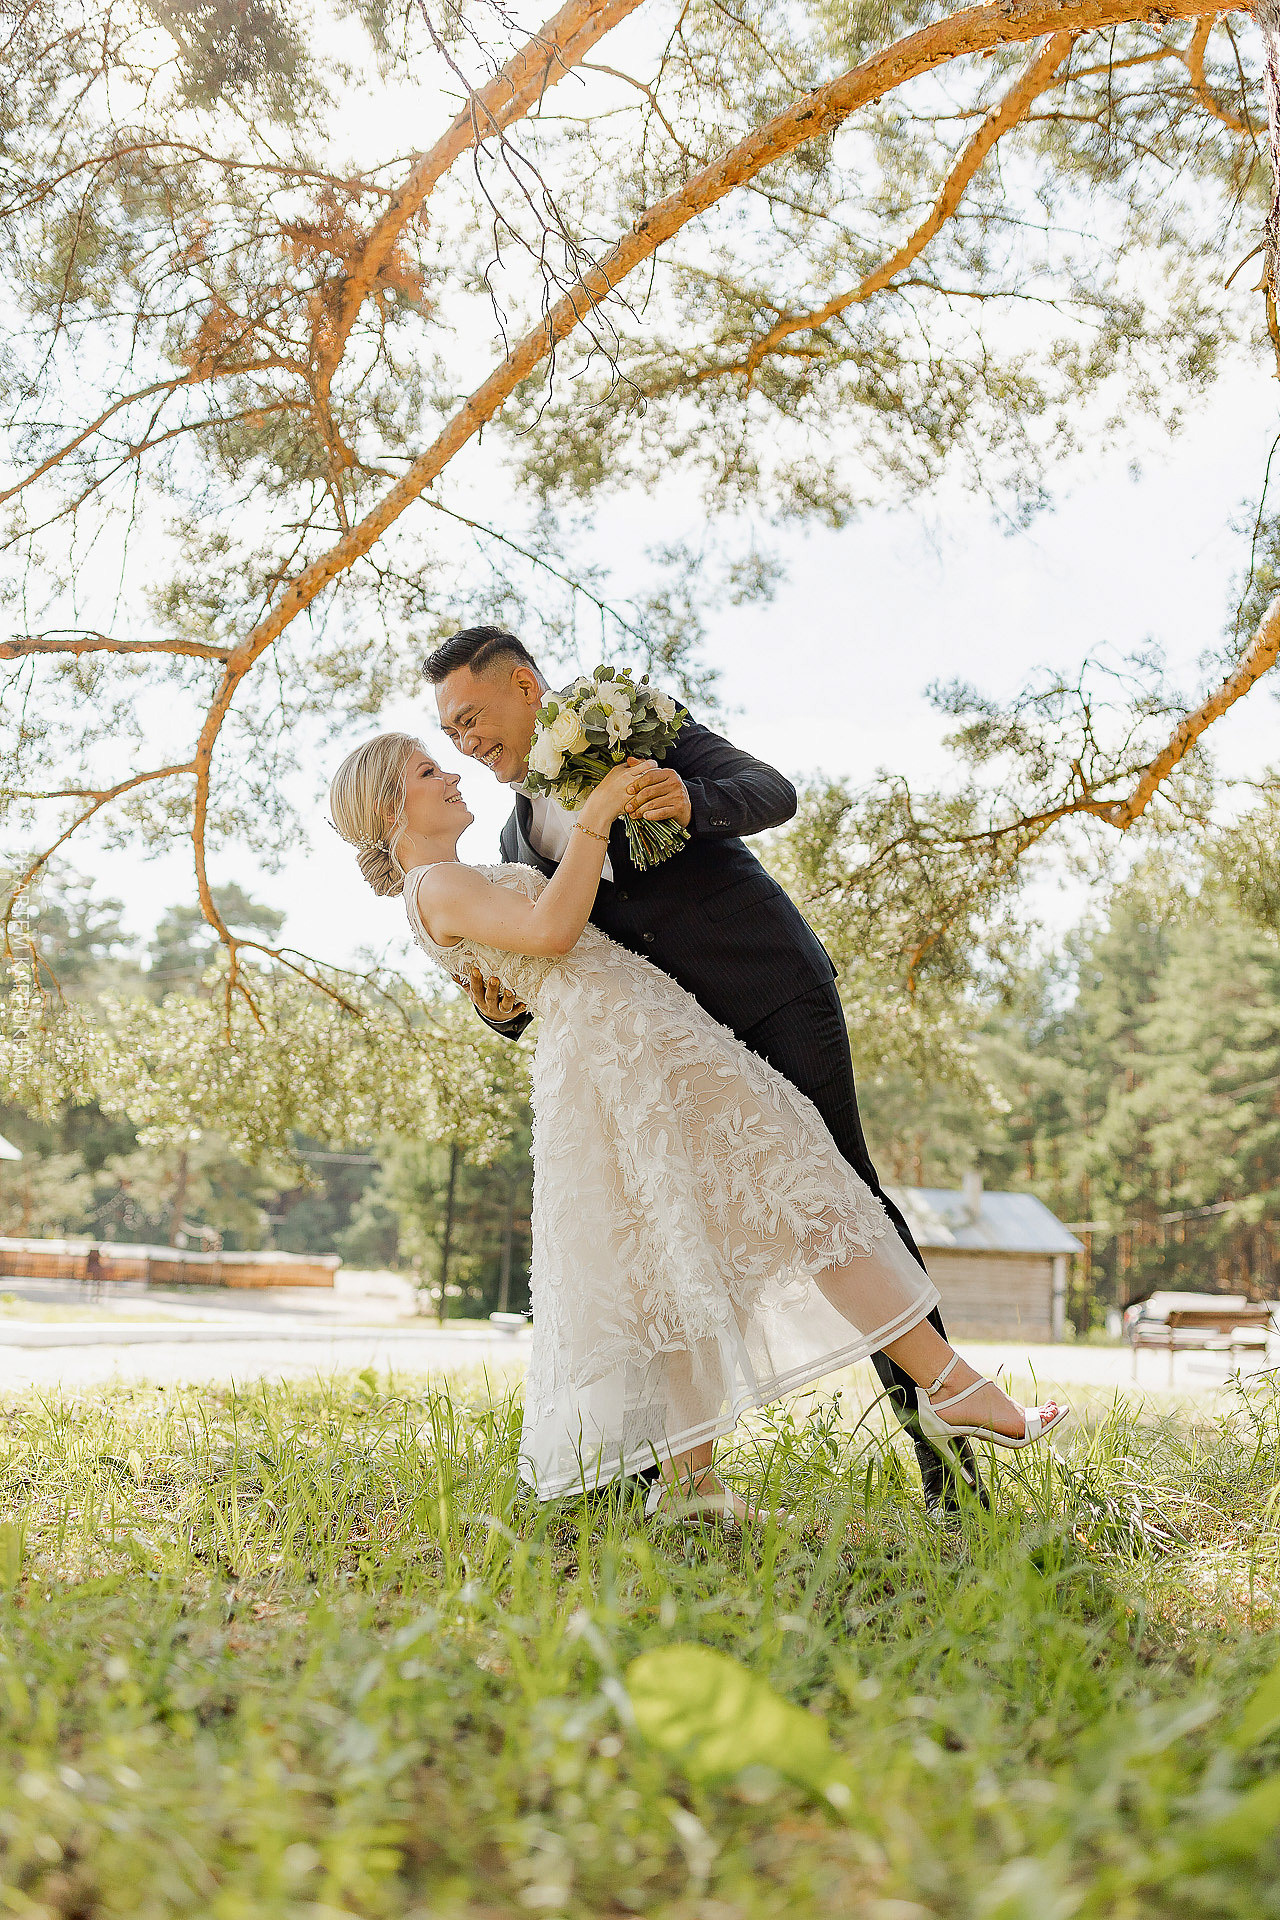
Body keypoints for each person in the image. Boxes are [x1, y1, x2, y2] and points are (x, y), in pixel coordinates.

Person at [328, 731, 1068, 1520]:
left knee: (691, 1247)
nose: (450, 773)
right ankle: (952, 1387)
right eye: (427, 769)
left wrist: (496, 984)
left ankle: (690, 1483)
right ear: (387, 804)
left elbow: (519, 956)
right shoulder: (436, 884)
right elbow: (550, 932)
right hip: (634, 1054)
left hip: (644, 1043)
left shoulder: (452, 878)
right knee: (809, 1193)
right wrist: (600, 813)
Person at [426, 627, 988, 1513]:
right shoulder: (513, 835)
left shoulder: (636, 726)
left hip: (770, 988)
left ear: (526, 687)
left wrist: (688, 798)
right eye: (449, 735)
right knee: (655, 1238)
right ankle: (668, 1476)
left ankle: (946, 1468)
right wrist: (498, 1010)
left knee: (846, 1201)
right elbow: (548, 966)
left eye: (471, 718)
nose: (464, 743)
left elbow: (773, 791)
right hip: (673, 1056)